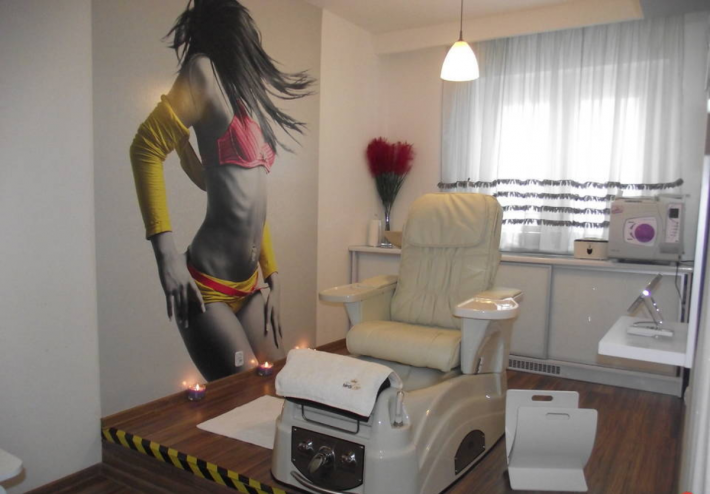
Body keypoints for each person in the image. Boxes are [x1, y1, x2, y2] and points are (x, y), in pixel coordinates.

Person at [129, 0, 315, 381]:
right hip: (206, 287)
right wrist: (166, 257)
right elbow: (145, 149)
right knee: (243, 395)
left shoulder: (245, 93)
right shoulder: (202, 71)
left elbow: (247, 202)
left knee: (280, 384)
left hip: (250, 286)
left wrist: (273, 275)